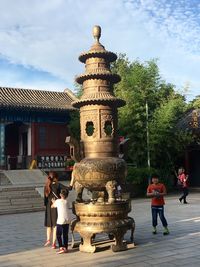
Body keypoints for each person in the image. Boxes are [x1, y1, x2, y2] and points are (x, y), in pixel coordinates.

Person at [44, 171, 61, 249]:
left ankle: (48, 239)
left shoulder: (46, 185)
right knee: (55, 226)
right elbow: (68, 189)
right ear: (56, 177)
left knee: (49, 225)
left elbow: (45, 199)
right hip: (55, 207)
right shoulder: (57, 185)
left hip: (48, 207)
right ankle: (54, 243)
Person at [51, 189, 71, 254]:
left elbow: (52, 206)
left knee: (58, 234)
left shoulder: (57, 201)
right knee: (65, 234)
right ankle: (65, 247)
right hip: (67, 220)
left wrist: (53, 202)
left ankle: (61, 247)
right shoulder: (67, 201)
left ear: (60, 195)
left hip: (60, 220)